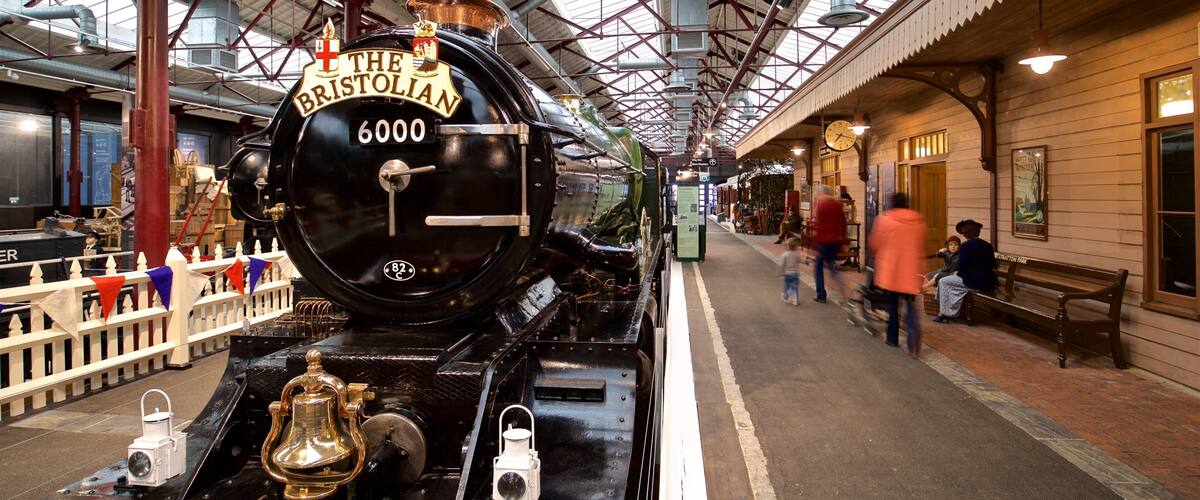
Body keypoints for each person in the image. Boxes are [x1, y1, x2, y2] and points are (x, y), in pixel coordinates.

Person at [868, 193, 927, 355]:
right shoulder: (919, 221)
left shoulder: (884, 220)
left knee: (893, 305)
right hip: (911, 270)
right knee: (910, 305)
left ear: (891, 204)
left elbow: (874, 244)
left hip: (892, 271)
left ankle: (892, 338)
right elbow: (922, 246)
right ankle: (913, 337)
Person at [934, 219, 996, 323]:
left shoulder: (966, 246)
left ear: (966, 234)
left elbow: (961, 266)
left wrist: (958, 273)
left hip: (973, 281)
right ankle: (946, 311)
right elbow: (992, 264)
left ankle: (945, 313)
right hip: (988, 280)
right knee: (950, 281)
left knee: (943, 281)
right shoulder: (988, 245)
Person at [811, 184, 847, 303]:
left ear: (821, 193)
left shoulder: (820, 205)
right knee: (832, 266)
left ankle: (821, 294)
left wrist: (814, 244)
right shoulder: (838, 204)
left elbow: (818, 225)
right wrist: (844, 242)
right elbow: (843, 223)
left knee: (818, 268)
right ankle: (842, 291)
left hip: (823, 241)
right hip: (835, 241)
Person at [779, 237, 803, 305]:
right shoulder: (796, 254)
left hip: (788, 274)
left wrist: (780, 273)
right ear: (795, 247)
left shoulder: (785, 255)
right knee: (795, 287)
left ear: (787, 246)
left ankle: (786, 296)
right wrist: (806, 261)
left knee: (787, 286)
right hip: (795, 274)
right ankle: (795, 300)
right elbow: (801, 260)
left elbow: (782, 265)